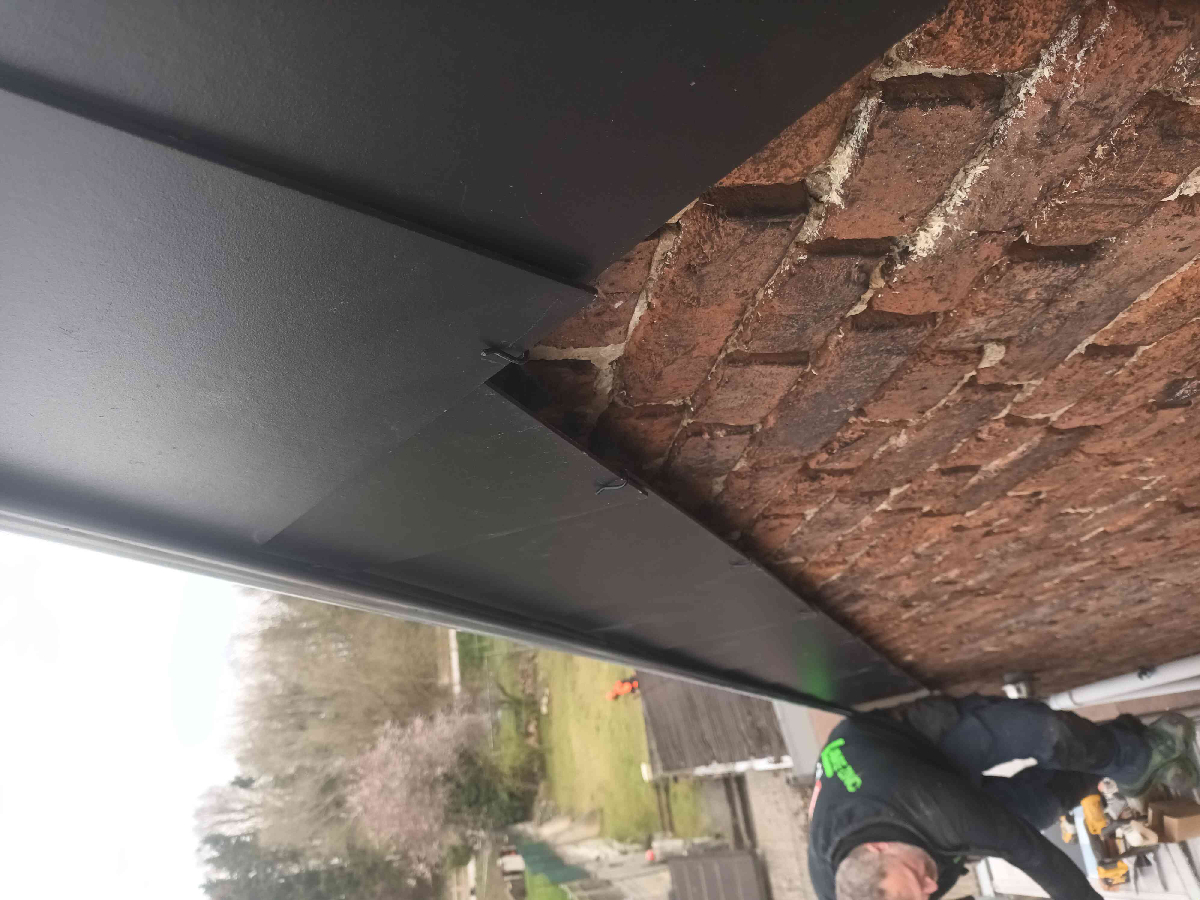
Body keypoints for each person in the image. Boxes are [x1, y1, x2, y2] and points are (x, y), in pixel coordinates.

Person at [809, 695, 1198, 900]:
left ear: (877, 848)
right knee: (1037, 809)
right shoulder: (840, 888)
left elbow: (1030, 853)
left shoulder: (932, 810)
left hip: (919, 747)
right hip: (920, 816)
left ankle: (1139, 755)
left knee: (1038, 731)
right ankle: (1121, 741)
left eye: (916, 879)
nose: (931, 889)